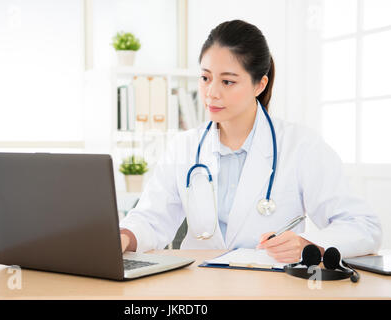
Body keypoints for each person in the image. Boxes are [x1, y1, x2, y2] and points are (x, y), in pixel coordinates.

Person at [119, 19, 382, 263]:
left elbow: (363, 226)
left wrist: (308, 243)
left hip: (270, 285)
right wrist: (124, 237)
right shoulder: (184, 146)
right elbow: (152, 219)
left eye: (228, 82)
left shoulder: (301, 146)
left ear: (260, 85)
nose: (212, 93)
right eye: (205, 78)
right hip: (197, 283)